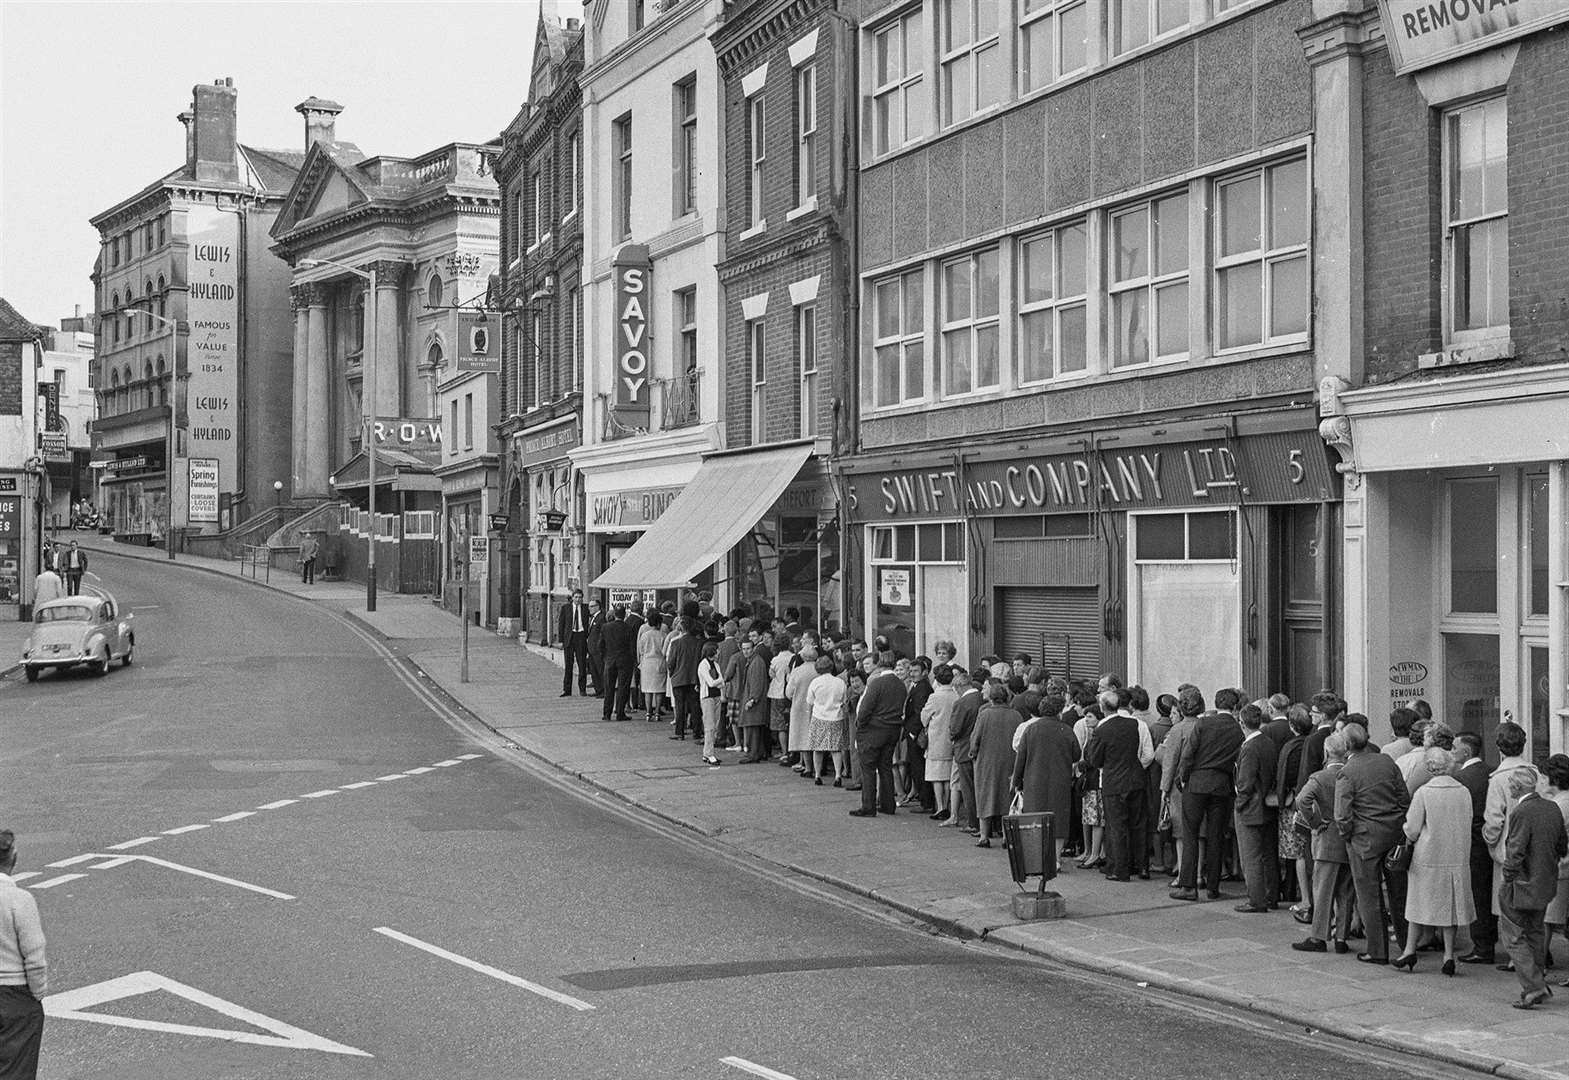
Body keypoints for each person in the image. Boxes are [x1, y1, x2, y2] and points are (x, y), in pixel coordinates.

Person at [1393, 747, 1475, 975]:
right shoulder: (1463, 791)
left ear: (1429, 767)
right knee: (1450, 908)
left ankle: (1409, 951)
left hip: (1428, 856)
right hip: (1456, 854)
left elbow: (1411, 829)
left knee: (1418, 904)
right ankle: (1448, 955)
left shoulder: (1423, 793)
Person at [1334, 722, 1411, 964]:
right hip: (1393, 833)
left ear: (1346, 746)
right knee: (1399, 893)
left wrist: (1348, 835)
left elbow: (1342, 815)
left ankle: (1377, 950)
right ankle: (1408, 943)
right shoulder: (1386, 761)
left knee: (1369, 896)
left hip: (1364, 838)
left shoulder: (1347, 771)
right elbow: (1403, 797)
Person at [1500, 766, 1569, 1008]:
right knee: (1536, 933)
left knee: (1513, 936)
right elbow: (1562, 844)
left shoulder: (1521, 811)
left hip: (1521, 883)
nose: (1509, 787)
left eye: (1511, 784)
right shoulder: (1551, 807)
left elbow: (1516, 851)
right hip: (1546, 881)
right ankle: (1537, 980)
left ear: (1517, 788)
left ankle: (1534, 986)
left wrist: (1507, 877)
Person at [1172, 687, 1244, 901]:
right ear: (1235, 706)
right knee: (1215, 836)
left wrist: (1182, 777)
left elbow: (1189, 753)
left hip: (1197, 781)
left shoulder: (1204, 723)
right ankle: (1213, 886)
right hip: (1221, 784)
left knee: (1190, 834)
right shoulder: (1237, 730)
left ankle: (1188, 886)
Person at [1292, 733, 1356, 954]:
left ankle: (1319, 936)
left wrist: (1315, 822)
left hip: (1326, 838)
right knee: (1346, 891)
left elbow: (1302, 800)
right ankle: (1341, 937)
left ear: (1327, 753)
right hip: (1349, 839)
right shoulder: (1352, 774)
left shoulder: (1319, 777)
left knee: (1323, 890)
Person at [1085, 686, 1154, 882]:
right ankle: (1142, 866)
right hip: (1135, 778)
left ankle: (1120, 868)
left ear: (1102, 707)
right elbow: (1145, 753)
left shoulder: (1102, 729)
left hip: (1114, 780)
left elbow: (1096, 760)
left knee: (1117, 826)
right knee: (1138, 824)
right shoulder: (1134, 724)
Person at [1012, 693, 1080, 870]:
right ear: (1058, 710)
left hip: (1034, 781)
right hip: (1060, 781)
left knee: (1036, 819)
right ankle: (1056, 859)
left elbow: (1021, 757)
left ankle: (1038, 858)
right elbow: (1076, 755)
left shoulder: (1031, 729)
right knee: (1059, 820)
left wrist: (1017, 781)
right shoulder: (1066, 730)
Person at [1482, 723, 1531, 965]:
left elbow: (1493, 820)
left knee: (1509, 905)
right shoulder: (1536, 774)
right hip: (1533, 848)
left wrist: (1490, 841)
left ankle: (1517, 956)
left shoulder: (1500, 779)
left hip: (1508, 849)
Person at [0, 830, 47, 1079]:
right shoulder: (20, 900)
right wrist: (37, 994)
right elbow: (35, 957)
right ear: (12, 857)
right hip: (14, 996)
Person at [1454, 732, 1498, 965]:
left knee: (1478, 894)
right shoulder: (1492, 770)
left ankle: (1482, 945)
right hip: (1492, 838)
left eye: (1455, 747)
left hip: (1472, 839)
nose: (1452, 751)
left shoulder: (1461, 778)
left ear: (1466, 752)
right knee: (1491, 890)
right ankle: (1491, 936)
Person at [1233, 703, 1280, 912]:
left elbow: (1245, 783)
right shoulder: (1268, 742)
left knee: (1250, 857)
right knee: (1268, 854)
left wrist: (1239, 804)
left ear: (1242, 723)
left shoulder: (1250, 747)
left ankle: (1256, 900)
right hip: (1267, 804)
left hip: (1251, 806)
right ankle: (1271, 895)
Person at [850, 654, 906, 817]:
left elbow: (866, 708)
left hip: (873, 730)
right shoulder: (900, 685)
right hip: (892, 729)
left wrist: (860, 726)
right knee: (885, 767)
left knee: (868, 769)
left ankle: (868, 806)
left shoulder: (876, 683)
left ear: (880, 666)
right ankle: (888, 804)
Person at [970, 681, 1024, 848]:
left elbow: (975, 739)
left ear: (991, 698)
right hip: (1010, 760)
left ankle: (984, 836)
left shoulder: (985, 714)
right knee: (1007, 798)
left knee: (985, 795)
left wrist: (973, 752)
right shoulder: (1016, 715)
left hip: (986, 761)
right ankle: (1006, 837)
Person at [1275, 705, 1315, 923]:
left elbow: (1285, 776)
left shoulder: (1292, 747)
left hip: (1295, 803)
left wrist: (1282, 799)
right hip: (1311, 802)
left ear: (1292, 725)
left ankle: (1306, 898)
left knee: (1299, 852)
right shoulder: (1313, 742)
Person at [945, 668, 984, 832]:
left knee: (967, 787)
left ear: (960, 686)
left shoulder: (961, 703)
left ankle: (973, 823)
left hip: (964, 749)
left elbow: (954, 729)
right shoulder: (982, 698)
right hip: (981, 749)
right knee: (979, 786)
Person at [920, 664, 959, 819]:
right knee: (949, 776)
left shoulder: (935, 697)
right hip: (951, 739)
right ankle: (948, 805)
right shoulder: (956, 695)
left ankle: (940, 806)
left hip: (936, 739)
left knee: (936, 775)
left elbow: (924, 718)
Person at [804, 655, 847, 785]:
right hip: (836, 717)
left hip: (819, 717)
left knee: (818, 748)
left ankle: (817, 775)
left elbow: (810, 701)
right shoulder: (840, 682)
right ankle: (838, 775)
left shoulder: (815, 682)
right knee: (835, 748)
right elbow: (844, 700)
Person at [667, 616, 703, 741]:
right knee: (695, 705)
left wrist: (671, 673)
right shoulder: (697, 642)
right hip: (693, 677)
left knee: (679, 705)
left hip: (679, 677)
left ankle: (679, 732)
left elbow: (671, 661)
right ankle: (696, 731)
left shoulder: (676, 643)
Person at [599, 606, 637, 723]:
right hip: (625, 660)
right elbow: (632, 646)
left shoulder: (606, 627)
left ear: (615, 614)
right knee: (623, 687)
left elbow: (600, 645)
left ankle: (607, 713)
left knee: (609, 687)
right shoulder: (628, 628)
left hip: (610, 660)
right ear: (624, 615)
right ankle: (620, 712)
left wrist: (605, 657)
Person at [738, 637, 772, 763]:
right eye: (744, 649)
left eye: (748, 649)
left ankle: (753, 754)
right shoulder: (753, 660)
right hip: (752, 698)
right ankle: (758, 753)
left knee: (753, 727)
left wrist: (752, 699)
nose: (746, 651)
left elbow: (757, 683)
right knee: (754, 727)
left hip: (754, 700)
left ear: (753, 649)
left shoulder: (756, 662)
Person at [786, 645, 819, 774]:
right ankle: (818, 767)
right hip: (817, 706)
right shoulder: (819, 669)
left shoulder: (797, 671)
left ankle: (808, 766)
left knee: (803, 735)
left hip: (800, 706)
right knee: (816, 736)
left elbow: (788, 693)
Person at [558, 589, 592, 697]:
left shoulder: (586, 609)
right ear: (572, 597)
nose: (578, 599)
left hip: (581, 636)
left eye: (580, 597)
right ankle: (567, 689)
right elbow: (561, 624)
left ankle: (582, 689)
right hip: (569, 637)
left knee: (582, 664)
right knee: (568, 664)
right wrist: (561, 640)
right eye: (576, 597)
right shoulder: (566, 608)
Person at [636, 612, 669, 722]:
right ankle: (657, 712)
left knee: (647, 690)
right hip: (659, 661)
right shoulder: (663, 635)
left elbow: (641, 650)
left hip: (647, 662)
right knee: (659, 689)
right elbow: (665, 651)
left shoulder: (645, 635)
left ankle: (648, 712)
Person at [696, 641, 725, 765]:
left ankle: (707, 753)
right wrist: (721, 680)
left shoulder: (716, 665)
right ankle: (709, 753)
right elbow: (711, 682)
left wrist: (719, 682)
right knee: (709, 726)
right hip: (707, 697)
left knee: (715, 726)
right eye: (717, 650)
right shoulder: (703, 665)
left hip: (716, 696)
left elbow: (719, 682)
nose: (719, 652)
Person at [585, 598, 607, 698]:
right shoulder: (593, 617)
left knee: (599, 670)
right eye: (589, 606)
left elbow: (602, 634)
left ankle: (603, 690)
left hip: (597, 649)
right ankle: (598, 690)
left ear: (597, 607)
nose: (589, 608)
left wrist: (599, 647)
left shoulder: (601, 618)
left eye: (592, 606)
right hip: (591, 648)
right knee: (593, 671)